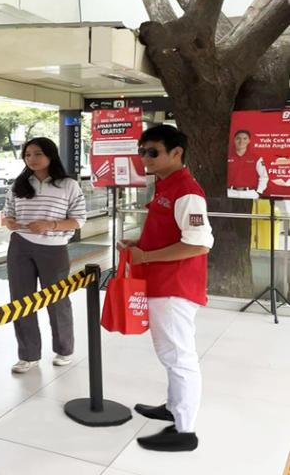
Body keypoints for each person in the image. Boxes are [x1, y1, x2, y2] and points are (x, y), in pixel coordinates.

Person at [119, 125, 213, 452]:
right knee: (169, 353)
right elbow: (171, 233)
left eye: (153, 152)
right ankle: (174, 408)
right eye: (142, 151)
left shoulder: (186, 191)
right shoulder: (165, 185)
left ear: (177, 153)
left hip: (174, 287)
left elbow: (198, 245)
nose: (145, 158)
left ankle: (184, 431)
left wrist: (147, 255)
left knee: (178, 356)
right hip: (160, 284)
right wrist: (140, 243)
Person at [2, 137, 86, 374]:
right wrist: (8, 221)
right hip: (20, 246)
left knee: (57, 300)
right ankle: (28, 354)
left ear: (51, 155)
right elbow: (7, 213)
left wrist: (51, 225)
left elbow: (79, 219)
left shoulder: (68, 185)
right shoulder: (18, 185)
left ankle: (63, 349)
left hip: (54, 248)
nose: (32, 159)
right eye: (27, 155)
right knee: (21, 300)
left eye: (37, 154)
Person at [226, 129, 267, 198]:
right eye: (238, 138)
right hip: (230, 193)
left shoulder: (256, 158)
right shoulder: (226, 157)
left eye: (245, 138)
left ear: (249, 141)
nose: (241, 141)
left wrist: (259, 192)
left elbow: (264, 176)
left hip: (250, 194)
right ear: (234, 140)